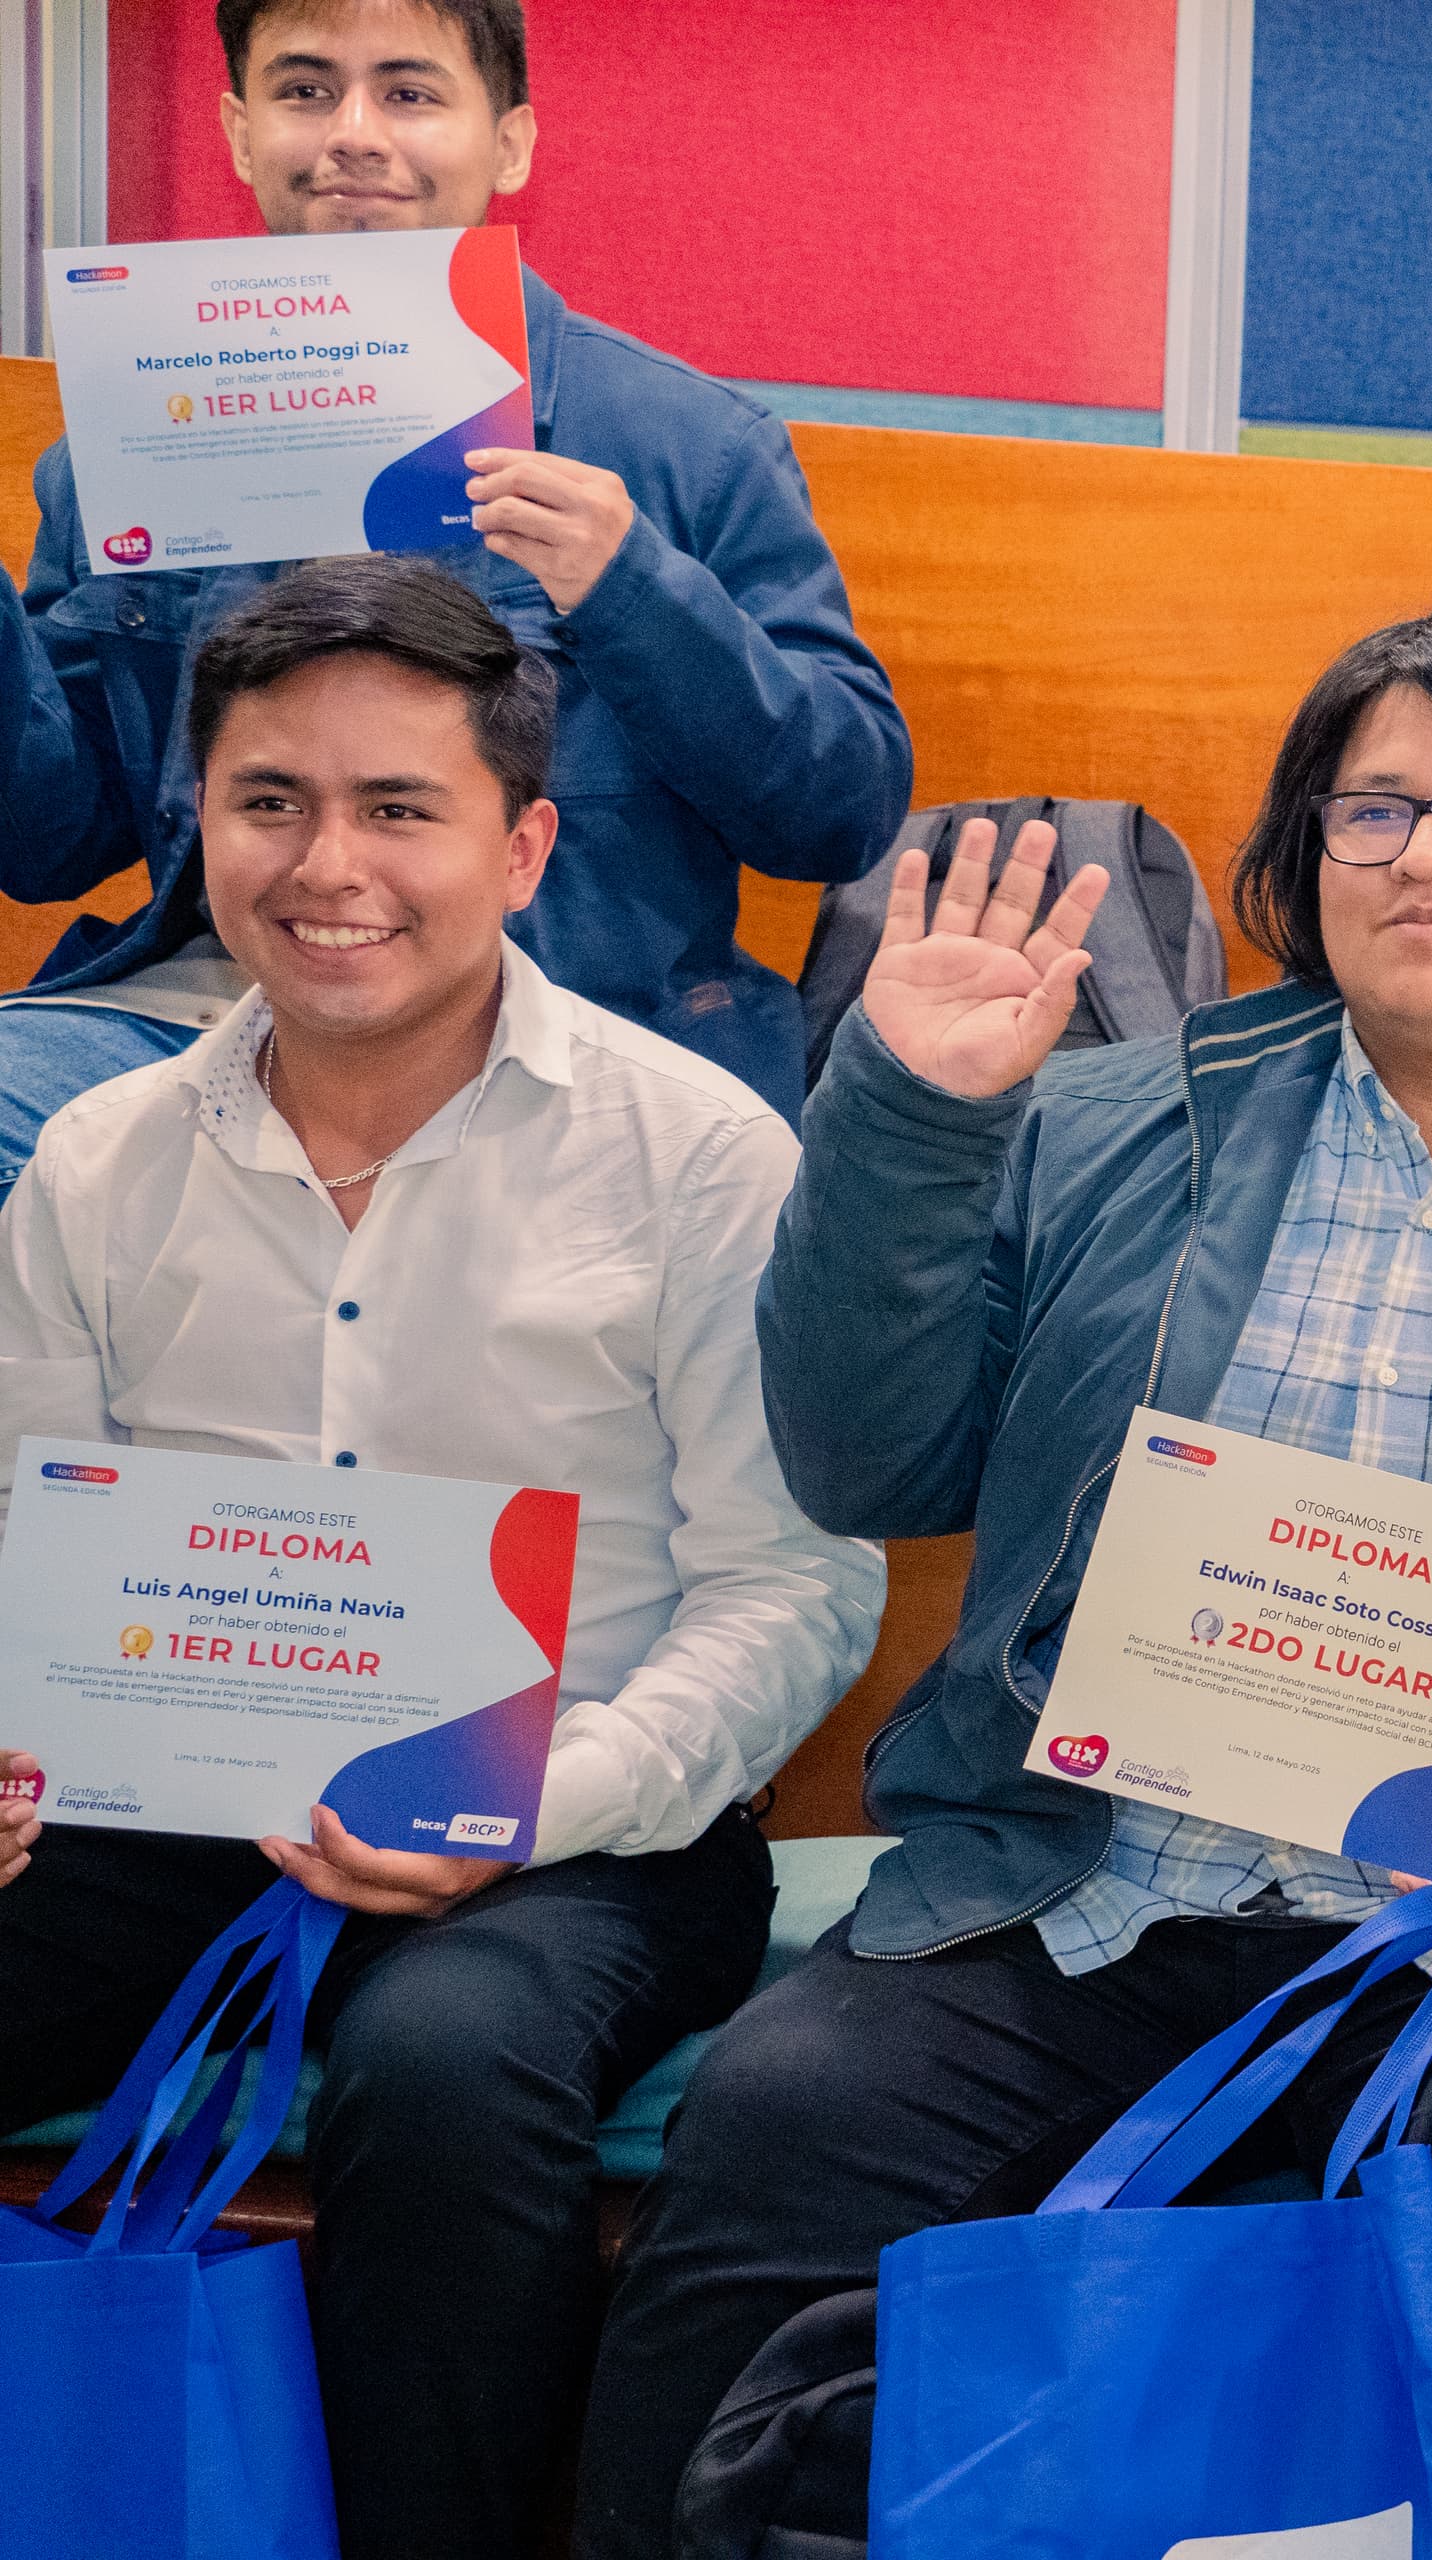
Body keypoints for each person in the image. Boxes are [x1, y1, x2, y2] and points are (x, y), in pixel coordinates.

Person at [572, 592, 1432, 2560]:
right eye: (1369, 812)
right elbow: (867, 1461)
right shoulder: (1111, 1124)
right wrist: (914, 1120)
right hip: (1079, 1891)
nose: (1420, 859)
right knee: (788, 2120)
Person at [0, 555, 885, 2555]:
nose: (331, 867)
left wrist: (534, 1804)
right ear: (200, 826)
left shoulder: (700, 1156)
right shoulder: (100, 1160)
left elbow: (793, 1583)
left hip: (585, 1829)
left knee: (447, 2065)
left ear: (523, 846)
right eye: (271, 801)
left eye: (400, 807)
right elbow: (19, 1521)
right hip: (172, 1793)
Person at [0, 0, 910, 1178]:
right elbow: (46, 842)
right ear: (239, 132)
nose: (354, 133)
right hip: (207, 1020)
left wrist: (631, 589)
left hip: (569, 1042)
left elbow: (839, 813)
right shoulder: (130, 445)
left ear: (510, 142)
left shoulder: (687, 444)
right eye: (305, 90)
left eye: (410, 93)